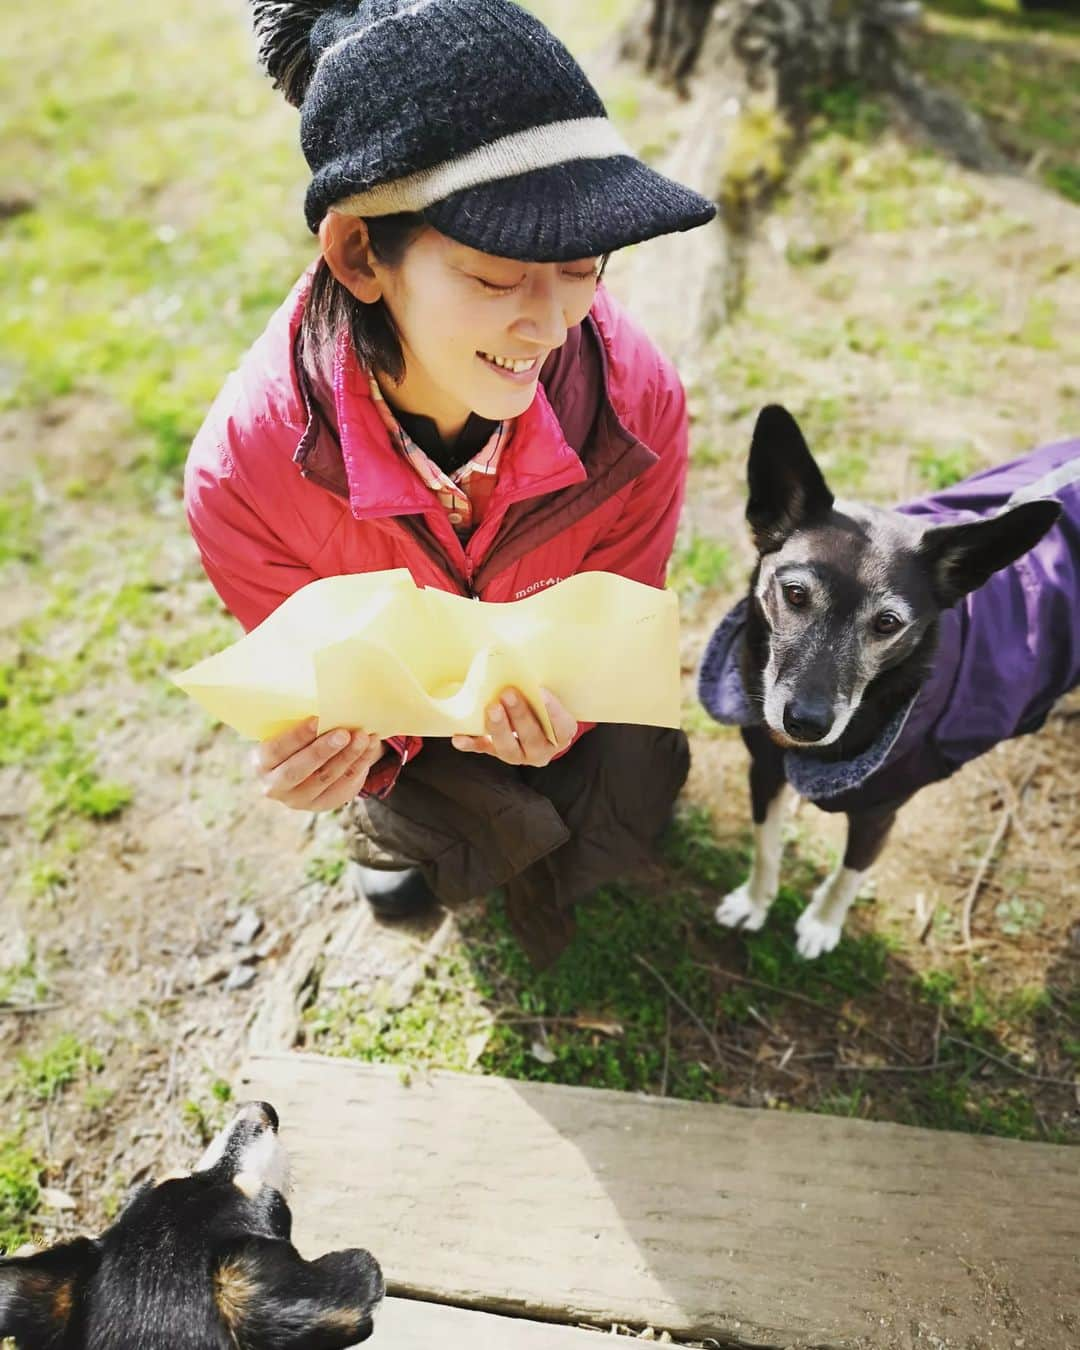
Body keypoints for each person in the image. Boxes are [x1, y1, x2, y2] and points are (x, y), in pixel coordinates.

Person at [184, 0, 717, 966]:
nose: (551, 327)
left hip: (555, 710)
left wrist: (569, 706)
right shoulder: (246, 475)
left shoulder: (637, 403)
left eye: (583, 267)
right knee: (411, 823)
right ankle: (399, 832)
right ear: (359, 254)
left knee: (621, 783)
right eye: (494, 276)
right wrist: (345, 753)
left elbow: (623, 610)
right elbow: (315, 679)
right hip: (411, 726)